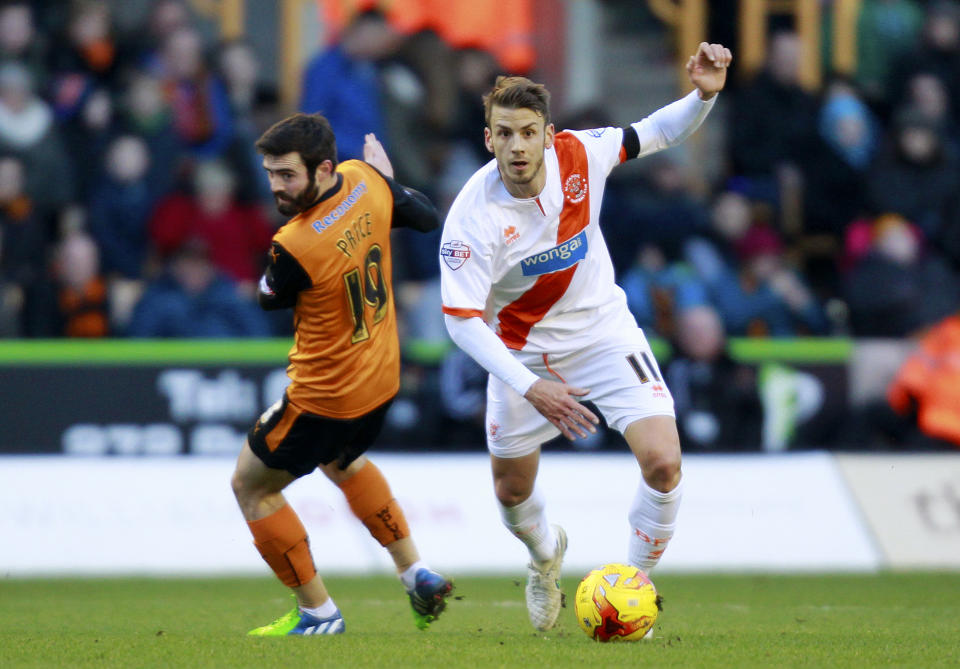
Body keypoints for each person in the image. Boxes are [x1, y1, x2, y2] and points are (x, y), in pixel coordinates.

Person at [439, 41, 732, 632]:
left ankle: (632, 594)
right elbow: (460, 319)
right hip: (520, 352)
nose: (517, 146)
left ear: (548, 135)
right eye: (504, 134)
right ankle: (545, 557)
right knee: (511, 490)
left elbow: (657, 132)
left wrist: (704, 94)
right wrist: (529, 385)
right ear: (488, 138)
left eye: (528, 132)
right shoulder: (471, 222)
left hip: (603, 333)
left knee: (664, 465)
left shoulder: (582, 154)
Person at [230, 113, 452, 636]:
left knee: (251, 487)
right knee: (344, 462)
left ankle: (319, 613)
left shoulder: (295, 243)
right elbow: (425, 216)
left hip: (325, 396)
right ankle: (415, 570)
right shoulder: (363, 179)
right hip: (380, 383)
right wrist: (387, 182)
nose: (276, 186)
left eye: (287, 175)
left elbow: (268, 297)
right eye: (270, 174)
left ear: (322, 168)